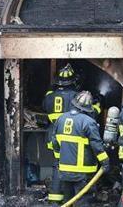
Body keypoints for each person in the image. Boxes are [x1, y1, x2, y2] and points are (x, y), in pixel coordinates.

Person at [49, 91, 109, 207]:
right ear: (88, 108)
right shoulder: (89, 122)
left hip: (65, 170)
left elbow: (55, 142)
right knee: (83, 201)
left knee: (68, 200)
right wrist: (105, 161)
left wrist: (59, 159)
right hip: (83, 173)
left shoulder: (61, 118)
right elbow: (96, 145)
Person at [43, 64, 79, 204]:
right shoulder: (75, 96)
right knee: (68, 167)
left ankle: (55, 199)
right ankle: (69, 197)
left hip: (53, 134)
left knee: (57, 165)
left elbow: (44, 107)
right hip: (69, 134)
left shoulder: (49, 96)